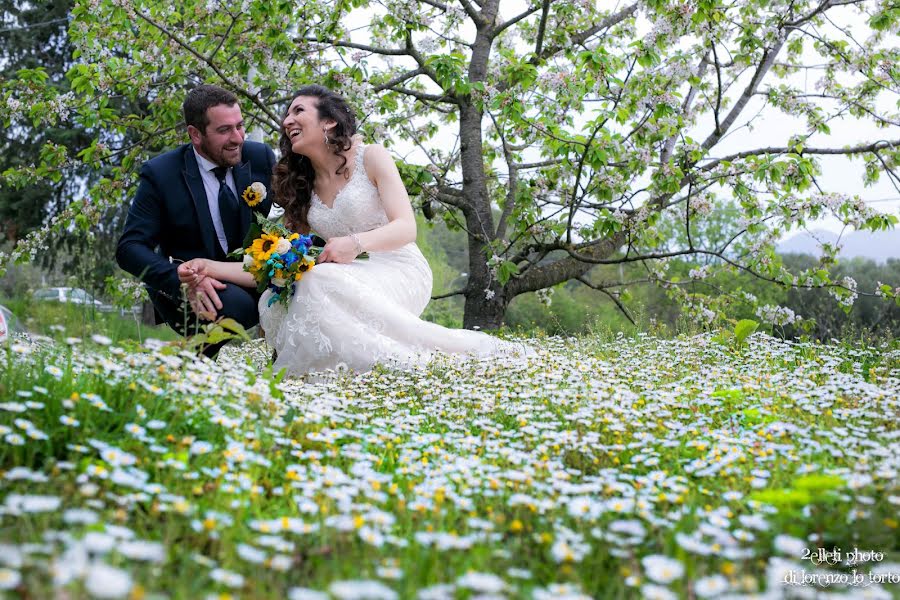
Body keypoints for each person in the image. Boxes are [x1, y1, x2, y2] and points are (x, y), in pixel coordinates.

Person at [177, 85, 525, 375]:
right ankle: (332, 375)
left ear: (328, 121)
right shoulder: (298, 186)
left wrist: (354, 243)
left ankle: (405, 366)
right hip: (343, 275)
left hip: (398, 267)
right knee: (279, 293)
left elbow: (406, 228)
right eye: (287, 114)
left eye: (298, 111)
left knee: (316, 280)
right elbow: (272, 264)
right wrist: (206, 266)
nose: (287, 120)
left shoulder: (371, 156)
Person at [116, 84, 275, 356]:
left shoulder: (259, 158)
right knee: (240, 305)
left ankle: (185, 368)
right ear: (195, 134)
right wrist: (180, 280)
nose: (237, 138)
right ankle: (187, 364)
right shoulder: (161, 174)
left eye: (240, 126)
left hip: (250, 275)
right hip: (191, 286)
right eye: (224, 130)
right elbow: (129, 248)